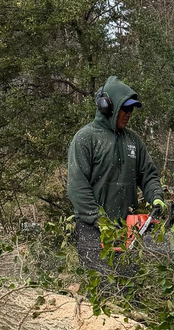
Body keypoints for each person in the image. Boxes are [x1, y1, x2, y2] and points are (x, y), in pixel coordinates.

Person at [67, 76, 167, 272]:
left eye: (131, 110)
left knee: (129, 287)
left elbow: (148, 175)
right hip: (93, 230)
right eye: (125, 108)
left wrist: (156, 199)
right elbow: (77, 186)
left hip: (127, 227)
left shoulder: (133, 140)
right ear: (107, 106)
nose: (129, 113)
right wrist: (99, 221)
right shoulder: (86, 138)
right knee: (101, 288)